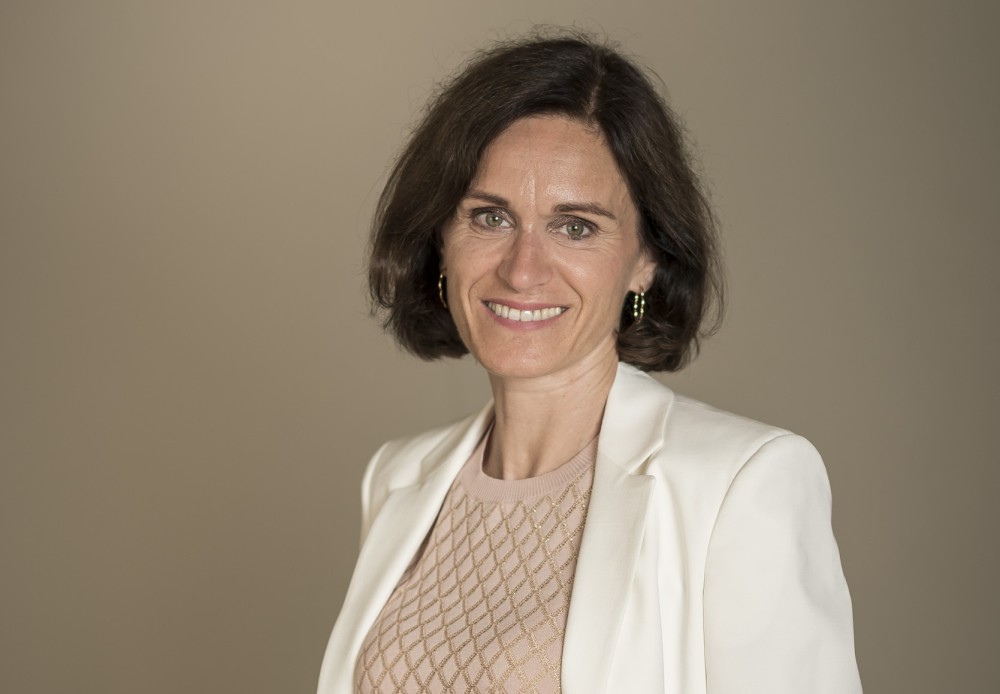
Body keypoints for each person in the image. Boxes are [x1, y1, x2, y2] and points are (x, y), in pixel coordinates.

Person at [317, 32, 862, 694]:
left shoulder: (740, 486)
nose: (522, 270)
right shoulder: (398, 477)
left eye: (575, 227)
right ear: (440, 239)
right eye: (489, 217)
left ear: (646, 260)